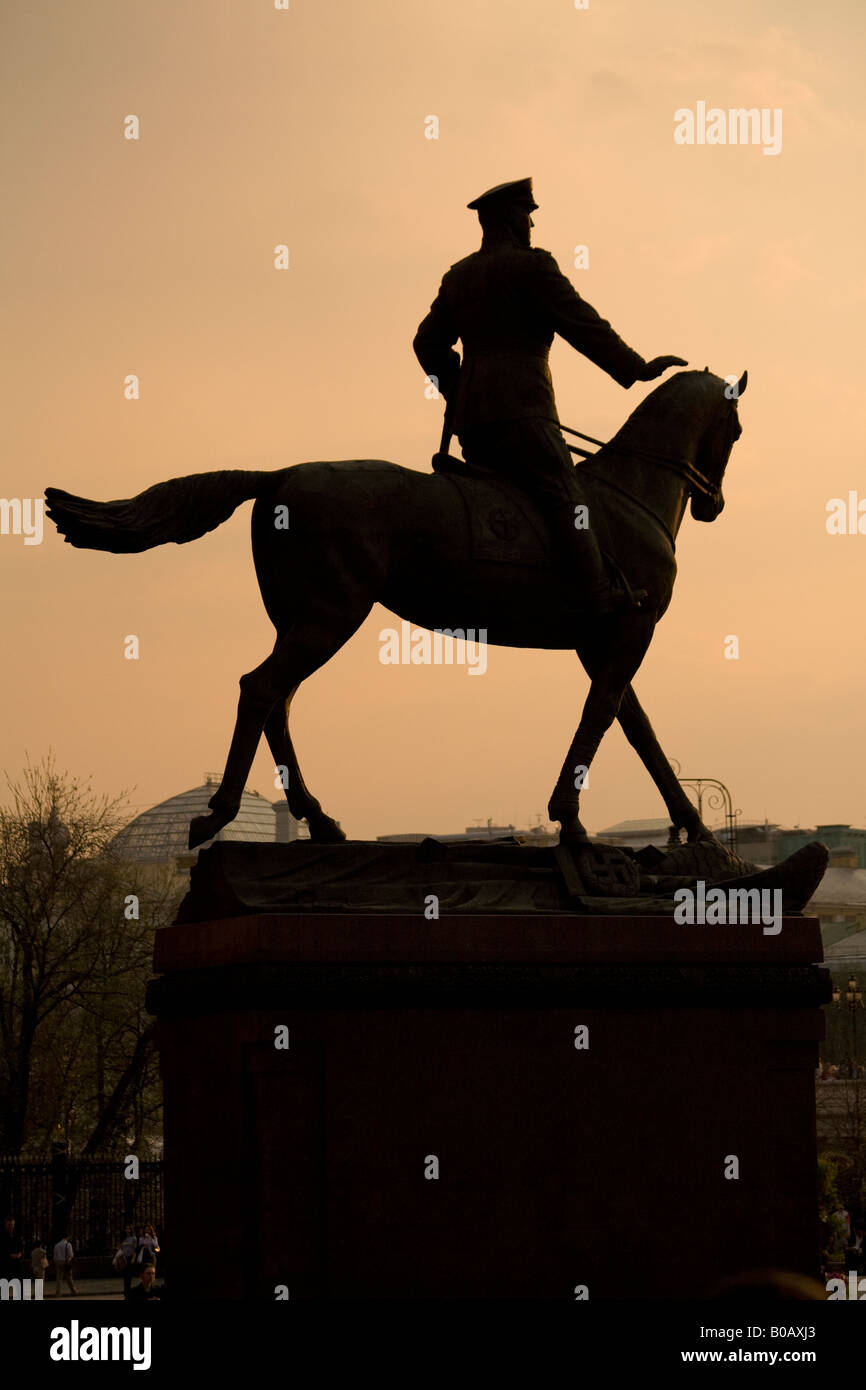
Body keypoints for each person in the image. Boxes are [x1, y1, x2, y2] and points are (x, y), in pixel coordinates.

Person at [413, 177, 686, 615]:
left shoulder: (459, 276)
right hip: (524, 413)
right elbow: (583, 325)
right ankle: (599, 596)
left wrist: (457, 388)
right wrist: (635, 367)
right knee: (567, 495)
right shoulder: (532, 267)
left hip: (474, 424)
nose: (530, 225)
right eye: (526, 215)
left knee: (511, 494)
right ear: (507, 217)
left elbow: (426, 344)